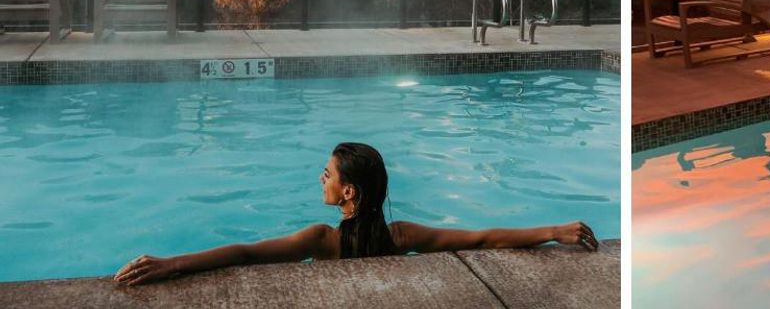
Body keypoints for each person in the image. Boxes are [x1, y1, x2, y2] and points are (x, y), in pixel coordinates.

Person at [114, 142, 598, 286]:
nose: (320, 180)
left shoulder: (321, 240)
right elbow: (481, 238)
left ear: (348, 192)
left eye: (326, 175)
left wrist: (172, 263)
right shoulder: (400, 235)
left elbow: (244, 253)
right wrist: (554, 230)